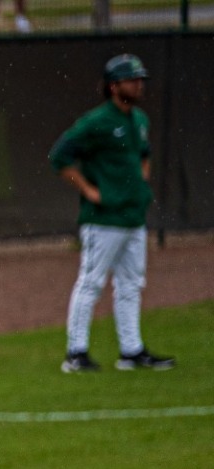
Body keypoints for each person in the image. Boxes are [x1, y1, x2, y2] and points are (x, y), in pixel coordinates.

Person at [51, 54, 172, 374]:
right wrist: (90, 191)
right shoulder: (96, 122)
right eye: (132, 80)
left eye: (140, 80)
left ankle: (130, 350)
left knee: (132, 284)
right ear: (113, 86)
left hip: (133, 216)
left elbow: (145, 156)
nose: (139, 85)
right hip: (103, 220)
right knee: (91, 282)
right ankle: (76, 353)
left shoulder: (140, 120)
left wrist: (140, 182)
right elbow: (60, 157)